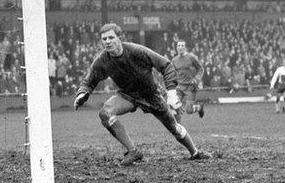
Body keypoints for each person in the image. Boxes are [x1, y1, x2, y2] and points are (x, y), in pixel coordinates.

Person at [74, 23, 211, 166]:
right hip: (127, 95)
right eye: (104, 39)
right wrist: (82, 93)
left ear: (119, 38)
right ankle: (133, 151)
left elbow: (166, 65)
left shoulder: (136, 51)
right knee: (105, 113)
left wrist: (171, 94)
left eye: (111, 37)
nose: (107, 41)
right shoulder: (102, 60)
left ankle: (194, 153)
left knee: (174, 127)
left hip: (151, 95)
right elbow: (88, 81)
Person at [170, 40, 205, 121]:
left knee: (188, 110)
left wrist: (196, 79)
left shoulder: (191, 57)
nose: (180, 47)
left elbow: (201, 69)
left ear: (185, 47)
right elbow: (172, 73)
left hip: (190, 87)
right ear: (176, 48)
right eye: (178, 46)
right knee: (174, 105)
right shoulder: (174, 60)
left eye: (182, 46)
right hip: (180, 87)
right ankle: (177, 127)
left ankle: (199, 107)